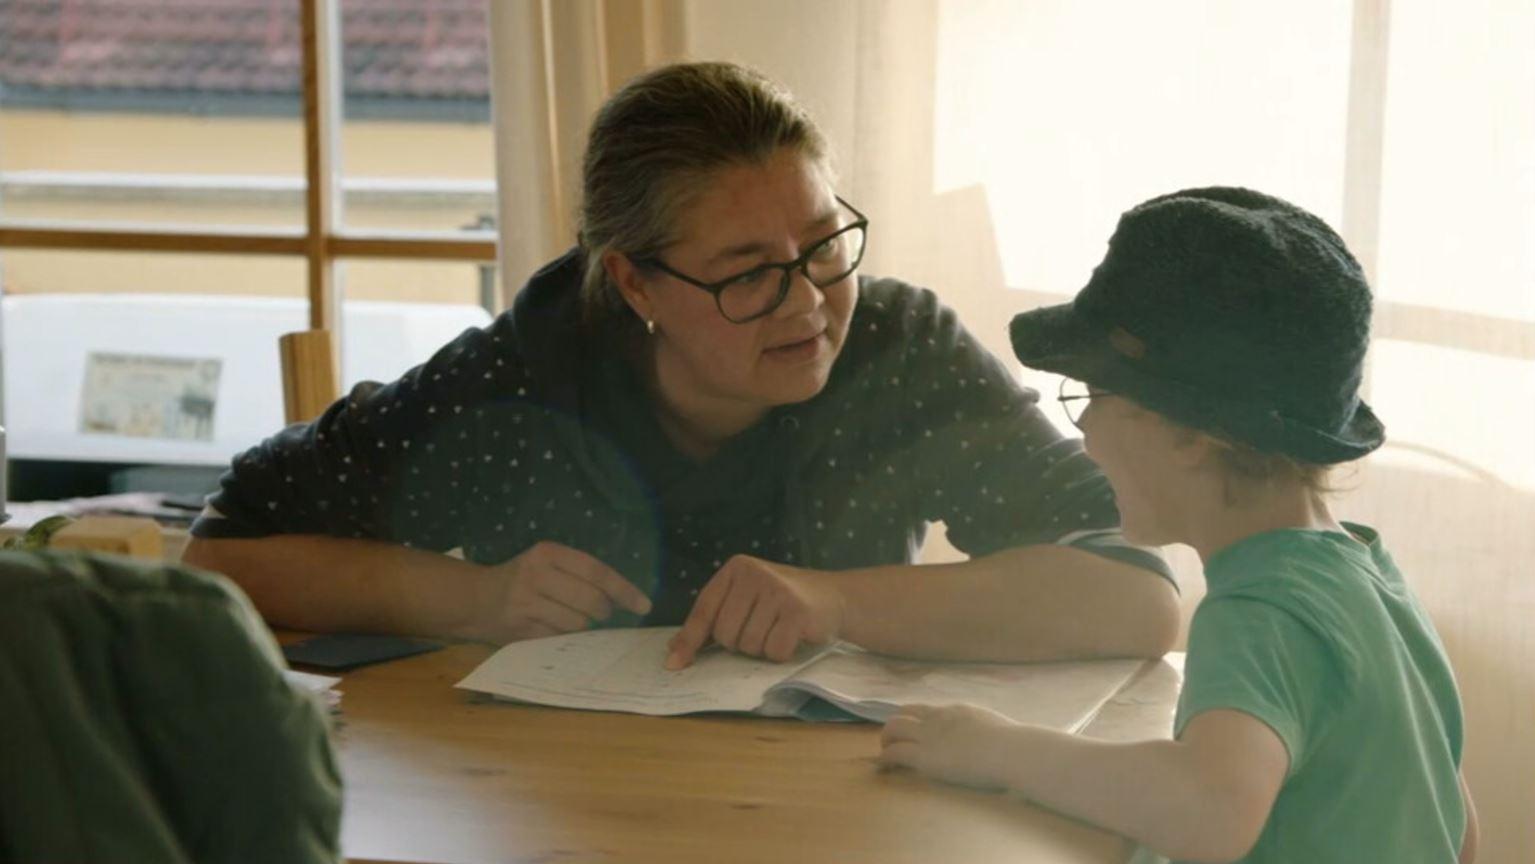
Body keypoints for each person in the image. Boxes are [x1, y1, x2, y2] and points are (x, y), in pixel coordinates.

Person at [181, 62, 1176, 668]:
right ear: (635, 285)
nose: (806, 303)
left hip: (828, 802)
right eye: (746, 276)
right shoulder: (525, 375)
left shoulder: (895, 349)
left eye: (824, 246)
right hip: (567, 805)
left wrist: (837, 601)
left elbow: (1139, 596)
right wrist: (472, 599)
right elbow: (223, 557)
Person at [879, 187, 1477, 863]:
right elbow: (1455, 826)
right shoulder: (1375, 584)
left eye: (1094, 398)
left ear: (1191, 433)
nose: (1084, 435)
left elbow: (1208, 812)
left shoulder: (1260, 613)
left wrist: (996, 751)